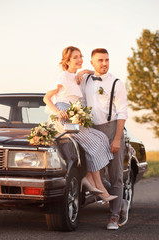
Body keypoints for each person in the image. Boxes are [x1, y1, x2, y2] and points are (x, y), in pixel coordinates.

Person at [43, 46, 117, 203]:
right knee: (93, 143)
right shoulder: (63, 77)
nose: (79, 59)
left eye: (80, 56)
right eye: (75, 57)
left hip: (74, 116)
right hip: (63, 117)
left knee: (102, 138)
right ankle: (100, 189)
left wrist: (86, 71)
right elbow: (46, 98)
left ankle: (89, 178)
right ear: (67, 60)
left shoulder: (76, 77)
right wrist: (57, 112)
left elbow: (92, 73)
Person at [80, 48, 129, 230]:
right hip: (90, 130)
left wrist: (117, 139)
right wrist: (81, 72)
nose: (104, 63)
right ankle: (120, 201)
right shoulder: (84, 79)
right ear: (92, 62)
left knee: (115, 175)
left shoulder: (117, 82)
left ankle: (114, 216)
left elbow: (122, 112)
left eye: (107, 60)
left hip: (111, 128)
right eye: (100, 60)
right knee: (95, 174)